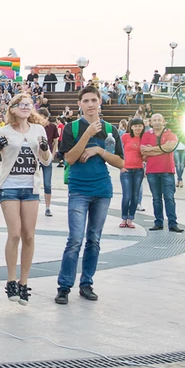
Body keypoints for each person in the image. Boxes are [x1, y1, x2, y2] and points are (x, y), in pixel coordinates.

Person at [55, 88, 121, 305]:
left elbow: (121, 162)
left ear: (100, 101)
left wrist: (99, 151)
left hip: (102, 190)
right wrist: (87, 135)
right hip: (79, 189)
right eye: (86, 101)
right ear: (80, 104)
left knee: (94, 239)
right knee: (75, 239)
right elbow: (69, 159)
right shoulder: (72, 128)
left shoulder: (110, 130)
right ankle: (64, 286)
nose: (90, 104)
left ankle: (87, 283)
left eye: (94, 100)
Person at [0, 93, 50, 303]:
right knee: (14, 234)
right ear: (12, 109)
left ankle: (24, 281)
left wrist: (45, 150)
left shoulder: (38, 130)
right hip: (10, 187)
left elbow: (47, 161)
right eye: (21, 104)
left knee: (29, 235)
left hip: (31, 187)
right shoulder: (3, 131)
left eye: (28, 104)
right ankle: (11, 279)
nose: (25, 107)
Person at [140, 113, 183, 232]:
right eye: (154, 120)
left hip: (167, 170)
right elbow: (143, 152)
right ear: (151, 122)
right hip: (152, 171)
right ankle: (158, 222)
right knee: (156, 198)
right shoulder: (146, 135)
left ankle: (172, 223)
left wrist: (151, 149)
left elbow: (170, 147)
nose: (157, 122)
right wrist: (163, 149)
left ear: (164, 121)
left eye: (159, 120)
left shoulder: (171, 134)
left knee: (169, 198)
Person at [117, 117, 148, 228]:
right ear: (131, 127)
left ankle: (130, 218)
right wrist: (120, 166)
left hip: (138, 170)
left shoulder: (144, 138)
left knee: (135, 196)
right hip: (126, 170)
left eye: (140, 126)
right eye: (135, 126)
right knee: (127, 195)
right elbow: (118, 151)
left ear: (143, 127)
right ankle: (124, 218)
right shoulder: (125, 137)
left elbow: (145, 157)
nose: (137, 128)